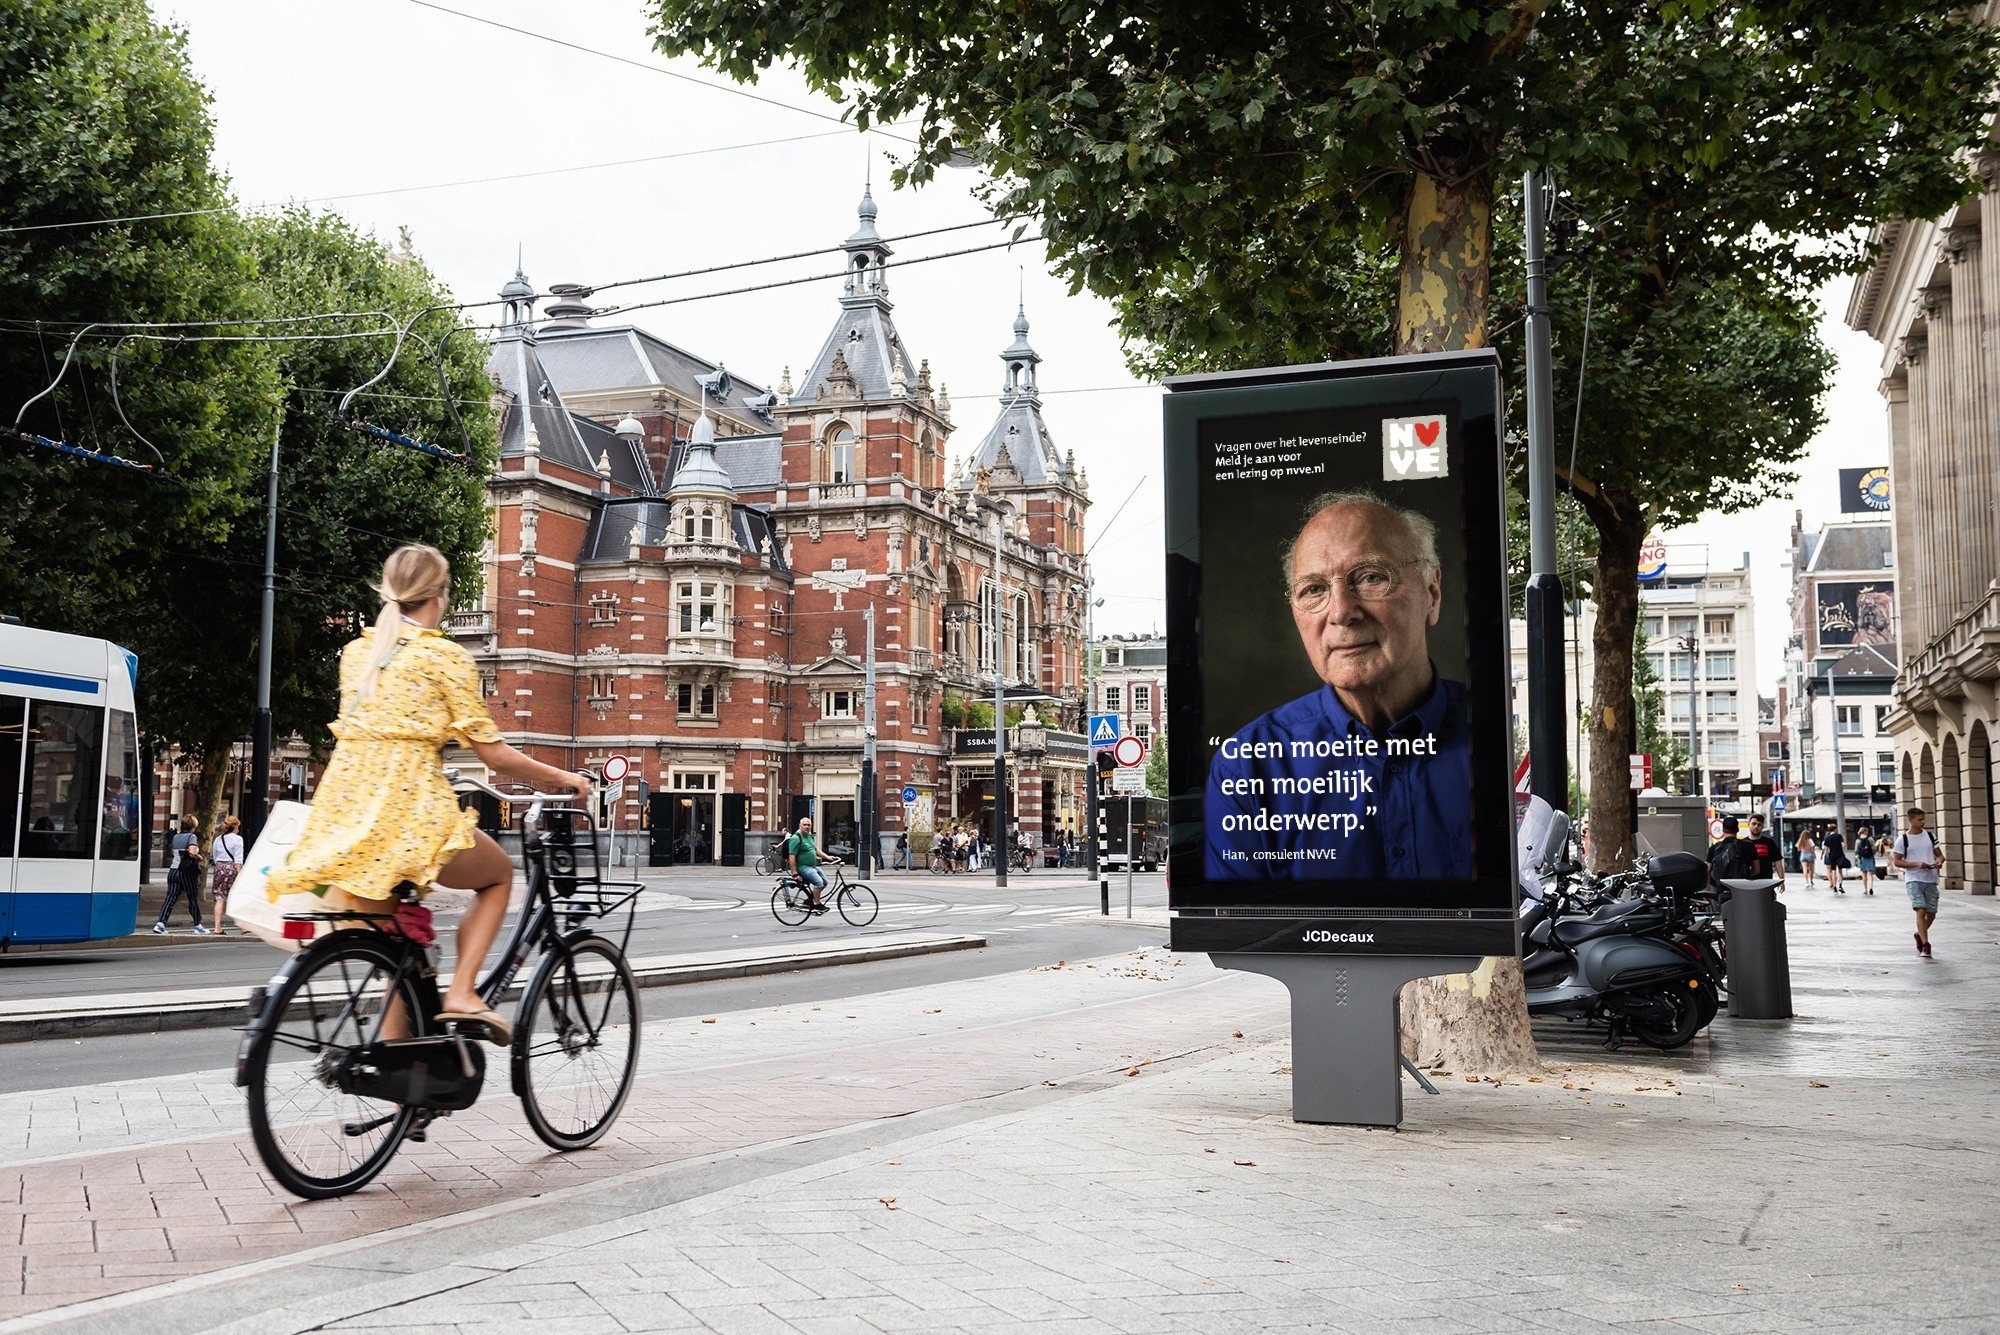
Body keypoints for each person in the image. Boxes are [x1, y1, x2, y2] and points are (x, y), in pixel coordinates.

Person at [264, 545, 591, 1044]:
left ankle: (402, 1092)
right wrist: (564, 778)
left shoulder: (357, 654)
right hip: (407, 811)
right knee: (498, 875)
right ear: (439, 596)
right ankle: (462, 992)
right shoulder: (443, 656)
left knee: (399, 955)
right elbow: (495, 755)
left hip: (347, 815)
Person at [1206, 490, 1470, 879]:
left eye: (1370, 578)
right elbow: (1242, 938)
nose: (1342, 612)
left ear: (1431, 594)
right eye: (1313, 589)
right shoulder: (1246, 767)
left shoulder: (1499, 739)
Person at [1890, 807, 1945, 957]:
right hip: (1914, 879)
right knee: (1920, 909)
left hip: (1931, 879)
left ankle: (1919, 934)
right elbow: (1897, 861)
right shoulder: (1903, 840)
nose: (1922, 822)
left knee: (1931, 914)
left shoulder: (1930, 836)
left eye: (1923, 819)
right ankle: (1926, 945)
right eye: (1919, 819)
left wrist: (1939, 862)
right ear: (1910, 820)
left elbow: (1940, 855)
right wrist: (1916, 864)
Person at [152, 814, 209, 934]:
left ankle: (160, 923)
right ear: (193, 826)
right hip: (186, 872)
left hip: (173, 870)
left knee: (170, 898)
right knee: (192, 898)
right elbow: (192, 852)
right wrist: (199, 857)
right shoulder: (191, 837)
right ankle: (198, 925)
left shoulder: (176, 837)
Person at [209, 814, 245, 935]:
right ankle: (242, 926)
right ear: (234, 827)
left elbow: (214, 857)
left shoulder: (218, 839)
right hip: (232, 868)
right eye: (238, 827)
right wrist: (240, 874)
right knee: (236, 897)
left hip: (219, 868)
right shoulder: (238, 839)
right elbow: (238, 860)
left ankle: (217, 927)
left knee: (219, 898)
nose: (238, 829)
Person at [785, 815, 827, 910]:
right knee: (819, 883)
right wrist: (794, 873)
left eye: (809, 825)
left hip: (812, 866)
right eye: (804, 825)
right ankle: (816, 903)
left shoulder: (810, 836)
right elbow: (792, 856)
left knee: (825, 882)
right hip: (803, 867)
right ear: (800, 825)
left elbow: (815, 850)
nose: (807, 827)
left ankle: (810, 899)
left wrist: (827, 857)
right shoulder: (796, 838)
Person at [1706, 816, 1754, 887]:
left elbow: (1707, 871)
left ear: (1723, 830)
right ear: (1737, 829)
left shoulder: (1714, 848)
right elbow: (1756, 869)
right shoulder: (1748, 846)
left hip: (1722, 889)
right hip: (1742, 889)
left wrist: (1716, 883)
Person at [1743, 813, 1784, 885]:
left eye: (1759, 824)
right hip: (1747, 883)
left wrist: (1781, 880)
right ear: (1748, 825)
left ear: (1762, 826)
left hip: (1766, 882)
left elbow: (1777, 861)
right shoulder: (1742, 844)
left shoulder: (1769, 843)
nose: (1756, 826)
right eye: (1754, 824)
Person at [1821, 824, 1848, 894]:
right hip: (1839, 855)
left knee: (1833, 871)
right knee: (1840, 871)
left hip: (1832, 856)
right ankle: (1840, 885)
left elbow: (1826, 850)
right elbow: (1843, 845)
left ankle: (1835, 887)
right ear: (1835, 829)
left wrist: (1828, 855)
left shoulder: (1827, 838)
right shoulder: (1839, 836)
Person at [1853, 824, 1877, 895]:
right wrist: (1872, 854)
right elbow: (1874, 848)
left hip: (1862, 858)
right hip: (1870, 857)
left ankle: (1865, 890)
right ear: (1866, 832)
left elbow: (1856, 850)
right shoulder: (1870, 839)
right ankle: (1871, 888)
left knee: (1864, 874)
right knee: (1870, 874)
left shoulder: (1858, 840)